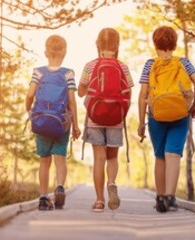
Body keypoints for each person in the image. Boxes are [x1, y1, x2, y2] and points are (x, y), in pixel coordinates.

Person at [137, 26, 195, 213]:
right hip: (180, 114)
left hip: (156, 115)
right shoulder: (184, 62)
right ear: (174, 44)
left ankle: (159, 198)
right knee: (173, 154)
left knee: (160, 156)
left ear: (155, 44)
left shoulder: (150, 64)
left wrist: (141, 121)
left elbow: (143, 94)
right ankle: (170, 197)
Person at [79, 28, 134, 212]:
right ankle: (111, 182)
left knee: (98, 158)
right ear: (117, 45)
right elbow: (129, 92)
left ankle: (99, 201)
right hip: (116, 117)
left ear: (98, 44)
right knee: (112, 157)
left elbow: (81, 91)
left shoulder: (90, 65)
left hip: (95, 116)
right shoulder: (123, 66)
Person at [25, 35, 80, 211]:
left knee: (44, 160)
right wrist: (76, 125)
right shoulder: (68, 73)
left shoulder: (38, 72)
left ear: (45, 52)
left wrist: (29, 111)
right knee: (60, 158)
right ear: (64, 52)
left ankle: (43, 197)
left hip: (41, 121)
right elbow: (72, 101)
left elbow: (29, 95)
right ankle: (60, 187)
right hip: (61, 123)